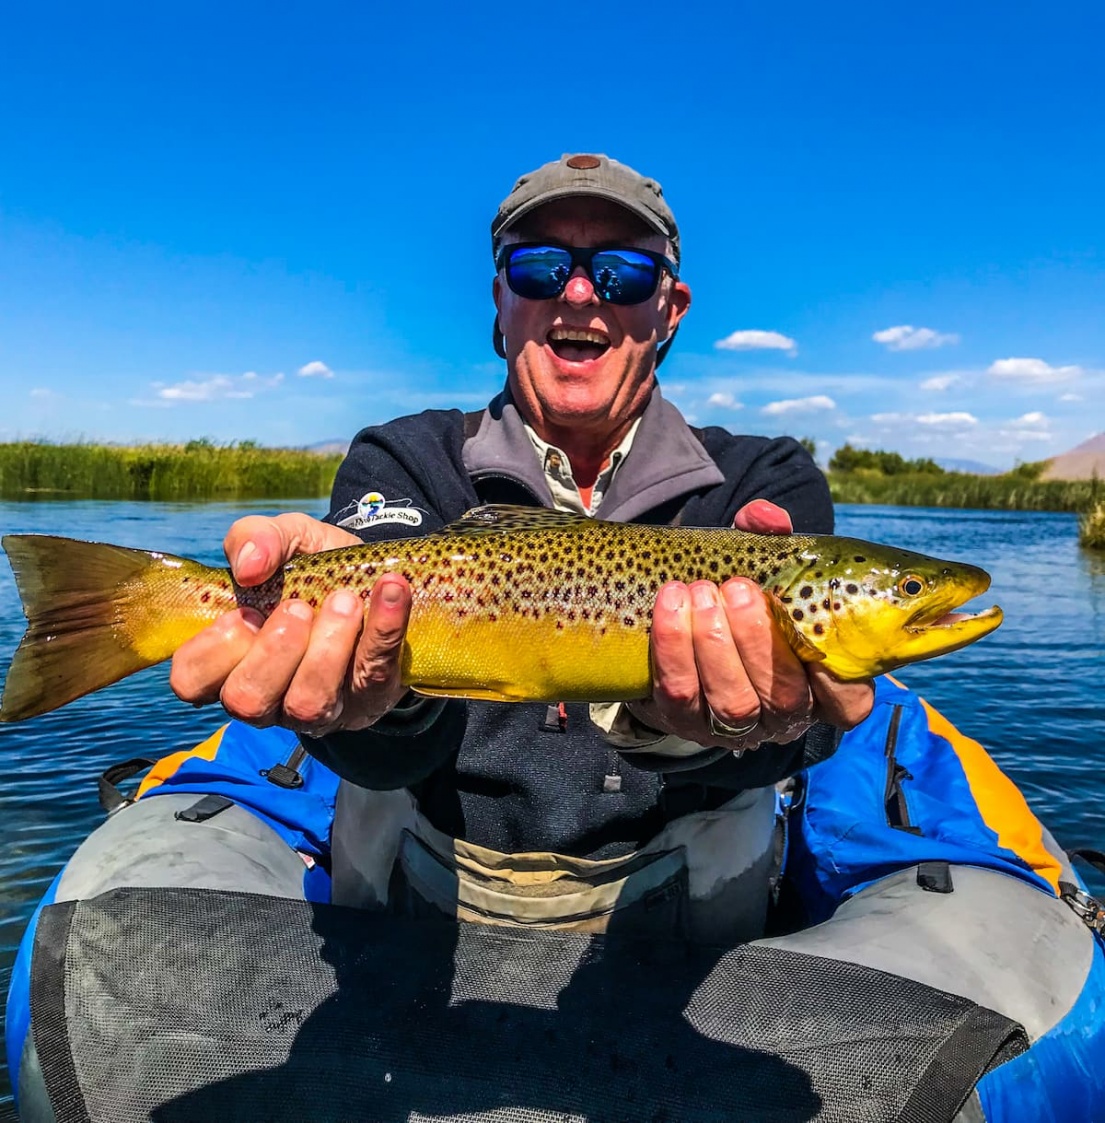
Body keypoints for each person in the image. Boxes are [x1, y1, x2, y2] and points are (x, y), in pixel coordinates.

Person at [169, 153, 874, 943]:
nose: (578, 293)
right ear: (501, 301)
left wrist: (695, 728)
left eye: (622, 272)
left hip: (683, 903)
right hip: (425, 889)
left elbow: (806, 731)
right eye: (538, 268)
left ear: (670, 309)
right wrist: (378, 698)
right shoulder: (402, 457)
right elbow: (380, 756)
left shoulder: (761, 480)